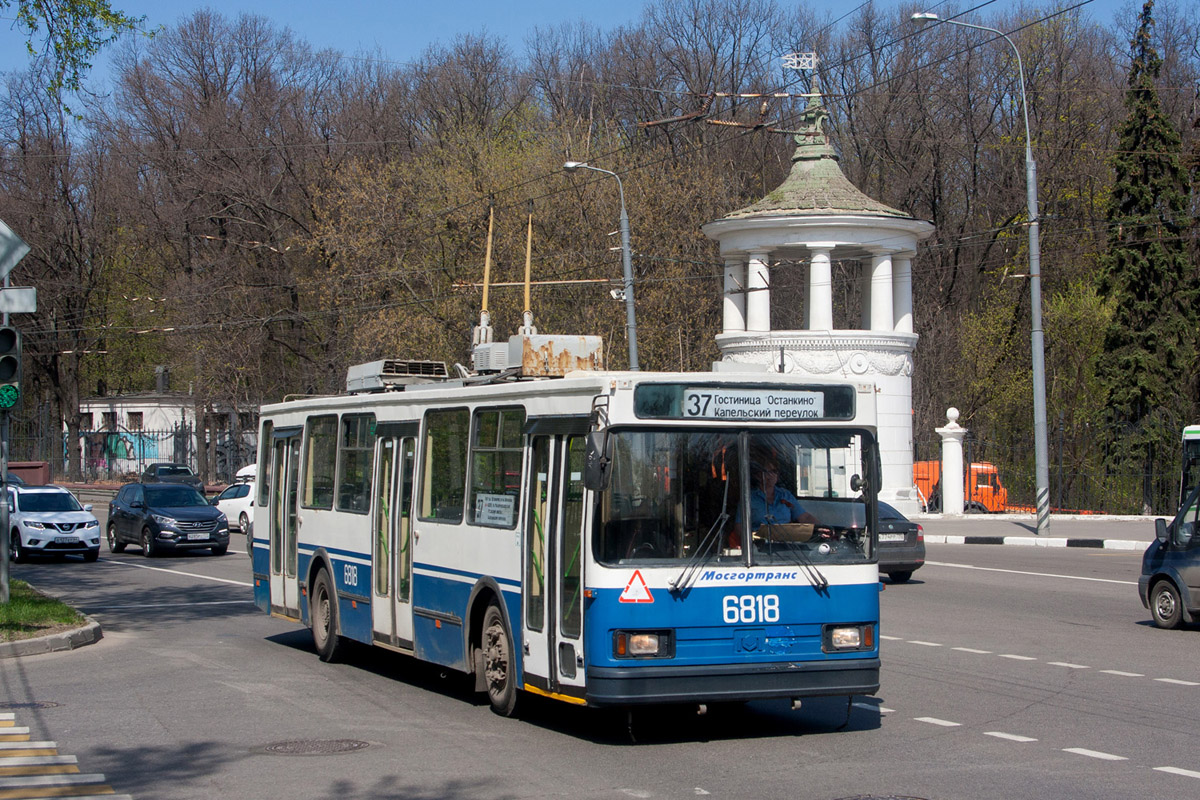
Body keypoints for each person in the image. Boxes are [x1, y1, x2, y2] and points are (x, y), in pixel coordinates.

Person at [727, 458, 822, 547]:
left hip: (789, 546)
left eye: (774, 472)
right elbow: (739, 527)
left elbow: (804, 517)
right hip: (759, 547)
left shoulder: (785, 495)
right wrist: (751, 542)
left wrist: (822, 528)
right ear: (757, 475)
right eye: (767, 472)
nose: (771, 475)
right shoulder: (748, 498)